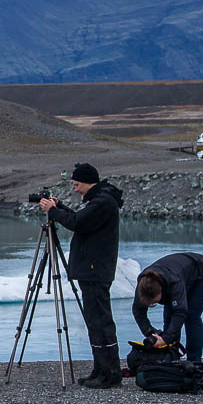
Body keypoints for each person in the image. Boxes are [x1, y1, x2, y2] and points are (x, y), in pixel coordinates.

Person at [39, 162, 124, 388]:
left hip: (95, 271)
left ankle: (109, 373)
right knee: (95, 321)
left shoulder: (103, 202)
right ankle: (102, 368)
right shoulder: (101, 200)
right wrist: (61, 207)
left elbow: (77, 223)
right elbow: (82, 220)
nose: (75, 189)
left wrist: (53, 211)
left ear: (87, 182)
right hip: (94, 270)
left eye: (77, 184)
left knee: (100, 321)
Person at [132, 252, 203, 364]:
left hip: (202, 275)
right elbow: (138, 312)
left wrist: (166, 339)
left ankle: (194, 362)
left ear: (161, 291)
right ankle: (172, 358)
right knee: (169, 318)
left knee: (191, 316)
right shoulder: (143, 286)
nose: (152, 304)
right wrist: (151, 333)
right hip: (179, 273)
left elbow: (180, 313)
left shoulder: (174, 282)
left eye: (154, 302)